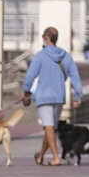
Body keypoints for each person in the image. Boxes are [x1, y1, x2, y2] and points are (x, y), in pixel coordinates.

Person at [22, 26, 84, 166]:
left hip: (44, 96)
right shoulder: (66, 56)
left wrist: (26, 91)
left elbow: (30, 76)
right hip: (59, 96)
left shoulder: (40, 56)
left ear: (45, 38)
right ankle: (41, 156)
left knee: (49, 126)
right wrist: (78, 96)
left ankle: (56, 157)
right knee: (50, 127)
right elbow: (75, 77)